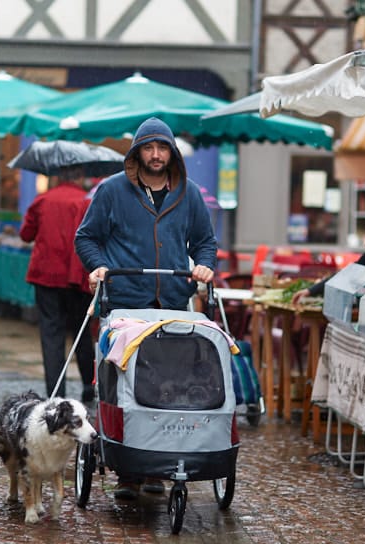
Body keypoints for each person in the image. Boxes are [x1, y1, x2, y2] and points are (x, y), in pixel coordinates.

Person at [75, 117, 217, 500]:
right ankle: (127, 471)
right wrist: (97, 266)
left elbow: (204, 242)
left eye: (162, 148)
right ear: (136, 153)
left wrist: (204, 265)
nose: (156, 155)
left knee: (170, 387)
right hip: (125, 302)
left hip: (172, 303)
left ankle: (160, 465)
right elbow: (86, 237)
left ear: (172, 153)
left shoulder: (188, 194)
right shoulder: (112, 191)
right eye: (148, 148)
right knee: (125, 386)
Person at [19, 165, 95, 402]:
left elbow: (26, 234)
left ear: (59, 177)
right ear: (80, 177)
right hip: (77, 276)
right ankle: (88, 384)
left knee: (51, 334)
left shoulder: (43, 200)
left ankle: (56, 393)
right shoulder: (86, 202)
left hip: (47, 275)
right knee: (82, 332)